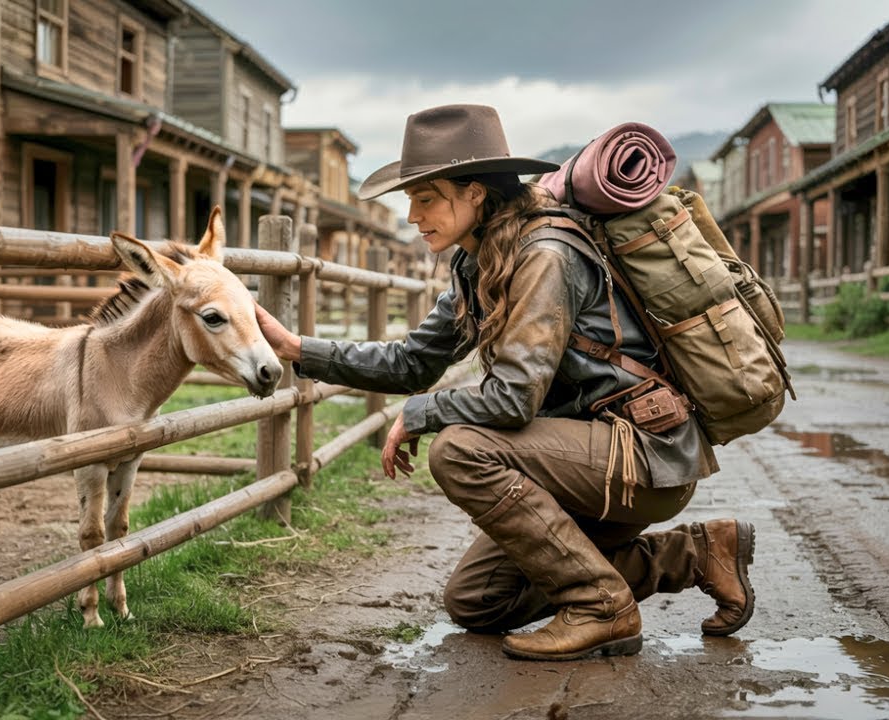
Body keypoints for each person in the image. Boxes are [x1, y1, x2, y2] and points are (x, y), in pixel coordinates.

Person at [254, 104, 755, 661]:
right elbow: (414, 362)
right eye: (410, 201)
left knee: (461, 450)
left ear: (473, 193)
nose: (414, 215)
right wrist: (296, 348)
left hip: (640, 455)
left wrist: (420, 414)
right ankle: (697, 555)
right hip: (582, 457)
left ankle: (601, 606)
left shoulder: (545, 254)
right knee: (478, 602)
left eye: (426, 197)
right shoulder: (477, 260)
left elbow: (514, 398)